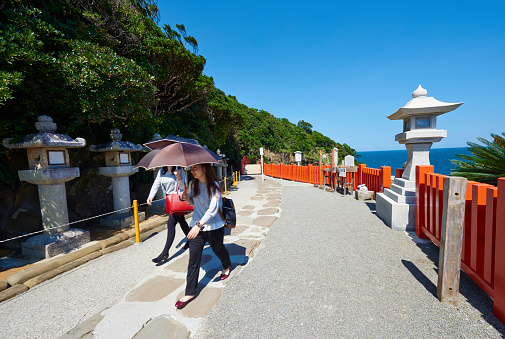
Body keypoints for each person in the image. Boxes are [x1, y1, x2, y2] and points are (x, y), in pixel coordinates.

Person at [175, 163, 232, 309]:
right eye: (191, 168)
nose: (193, 171)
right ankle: (190, 292)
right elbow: (192, 203)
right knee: (193, 259)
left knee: (218, 249)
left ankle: (227, 265)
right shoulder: (193, 184)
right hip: (197, 227)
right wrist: (185, 196)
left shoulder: (214, 186)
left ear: (204, 168)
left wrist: (198, 225)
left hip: (213, 226)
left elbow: (213, 210)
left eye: (195, 168)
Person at [147, 166, 190, 263]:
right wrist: (151, 196)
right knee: (181, 220)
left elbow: (183, 188)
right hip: (170, 200)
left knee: (171, 224)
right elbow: (156, 184)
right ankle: (191, 240)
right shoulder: (161, 171)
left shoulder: (179, 170)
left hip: (178, 200)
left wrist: (178, 177)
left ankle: (165, 252)